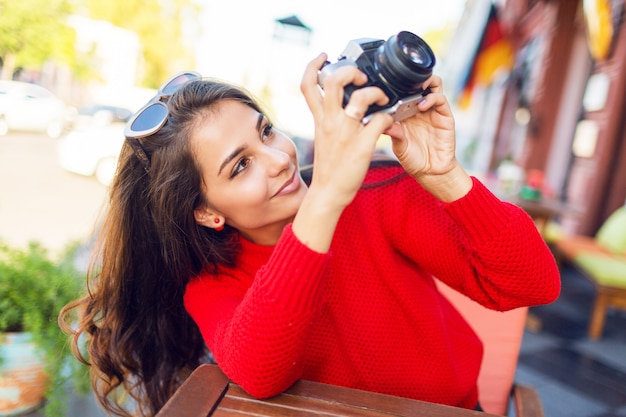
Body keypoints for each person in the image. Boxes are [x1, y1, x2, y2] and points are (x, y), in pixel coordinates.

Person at [59, 52, 560, 417]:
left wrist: (447, 175)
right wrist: (324, 202)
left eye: (267, 130)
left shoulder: (376, 195)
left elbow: (531, 285)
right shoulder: (212, 283)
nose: (280, 159)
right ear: (207, 213)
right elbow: (260, 370)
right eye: (240, 167)